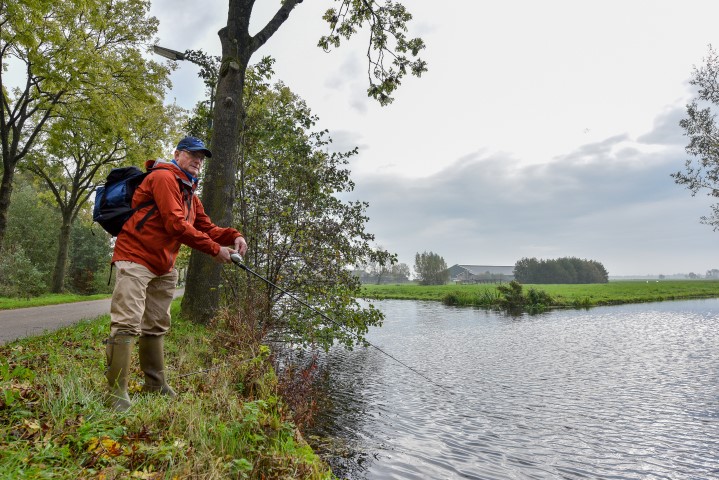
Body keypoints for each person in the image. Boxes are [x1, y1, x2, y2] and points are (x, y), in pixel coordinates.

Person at [105, 136, 248, 411]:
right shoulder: (163, 178)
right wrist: (214, 249)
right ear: (177, 154)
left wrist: (234, 236)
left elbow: (208, 227)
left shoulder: (189, 193)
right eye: (192, 155)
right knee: (126, 323)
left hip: (164, 265)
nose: (197, 161)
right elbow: (175, 224)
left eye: (201, 158)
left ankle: (155, 385)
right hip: (135, 256)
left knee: (156, 325)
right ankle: (115, 395)